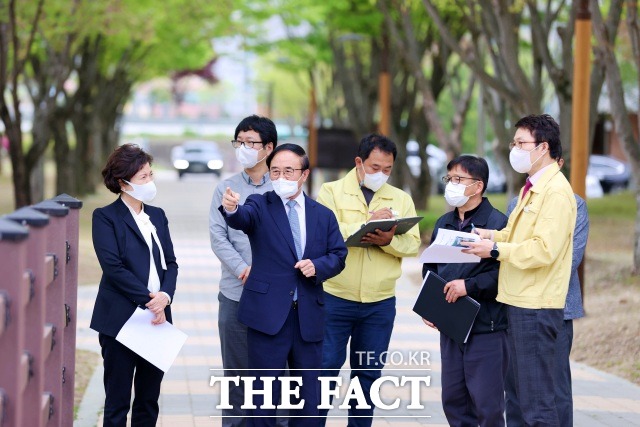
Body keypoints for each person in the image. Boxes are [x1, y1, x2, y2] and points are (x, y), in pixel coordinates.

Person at [220, 143, 347, 426]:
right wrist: (231, 209)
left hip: (308, 318)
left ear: (304, 174)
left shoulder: (322, 215)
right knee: (264, 399)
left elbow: (338, 255)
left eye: (288, 171)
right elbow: (242, 218)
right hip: (267, 316)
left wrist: (318, 267)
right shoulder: (259, 205)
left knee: (308, 400)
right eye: (275, 171)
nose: (280, 177)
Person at [462, 114, 577, 427]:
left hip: (536, 308)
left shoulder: (555, 192)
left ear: (543, 147)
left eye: (521, 143)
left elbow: (543, 249)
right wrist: (488, 236)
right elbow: (515, 236)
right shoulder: (533, 188)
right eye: (514, 143)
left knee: (537, 404)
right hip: (518, 303)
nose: (514, 149)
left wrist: (496, 250)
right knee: (519, 399)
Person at [316, 133, 421, 426]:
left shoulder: (401, 199)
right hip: (334, 298)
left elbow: (412, 244)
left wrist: (388, 240)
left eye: (387, 169)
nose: (381, 174)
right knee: (324, 371)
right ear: (359, 163)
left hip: (379, 304)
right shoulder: (331, 192)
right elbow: (325, 233)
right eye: (375, 167)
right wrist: (365, 224)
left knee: (367, 376)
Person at [91, 143, 178, 427]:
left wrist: (164, 297)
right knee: (117, 404)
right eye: (143, 177)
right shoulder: (105, 217)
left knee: (148, 401)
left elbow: (171, 263)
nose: (150, 182)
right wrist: (150, 300)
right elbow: (113, 268)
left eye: (150, 175)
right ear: (123, 183)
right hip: (120, 319)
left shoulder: (159, 216)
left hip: (157, 320)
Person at [421, 155, 508, 427]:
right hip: (451, 325)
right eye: (450, 179)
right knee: (454, 401)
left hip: (486, 326)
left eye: (459, 179)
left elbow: (503, 274)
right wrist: (430, 305)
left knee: (487, 405)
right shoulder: (443, 222)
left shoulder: (497, 223)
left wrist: (467, 286)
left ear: (478, 186)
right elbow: (430, 267)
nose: (452, 185)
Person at [504, 159, 589, 427]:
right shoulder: (517, 202)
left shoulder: (573, 203)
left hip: (555, 308)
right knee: (516, 389)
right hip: (518, 304)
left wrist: (517, 257)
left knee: (553, 389)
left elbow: (567, 259)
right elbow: (511, 250)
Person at [209, 115, 277, 427]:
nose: (244, 148)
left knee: (277, 381)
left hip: (276, 299)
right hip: (236, 295)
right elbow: (218, 238)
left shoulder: (283, 188)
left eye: (251, 143)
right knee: (236, 380)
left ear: (268, 148)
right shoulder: (226, 188)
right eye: (240, 142)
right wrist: (243, 271)